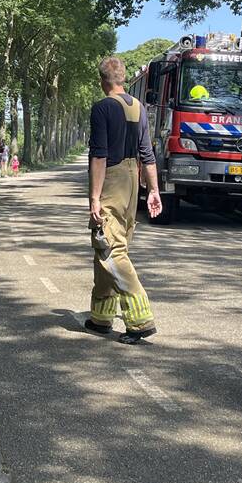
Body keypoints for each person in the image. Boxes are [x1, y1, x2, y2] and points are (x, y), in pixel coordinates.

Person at [86, 56, 163, 345]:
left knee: (109, 247)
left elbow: (99, 155)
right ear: (123, 78)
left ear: (102, 81)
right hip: (132, 180)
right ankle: (101, 317)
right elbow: (147, 153)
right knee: (109, 244)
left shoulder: (102, 107)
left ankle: (140, 319)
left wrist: (95, 197)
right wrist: (153, 190)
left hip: (112, 179)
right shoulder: (139, 107)